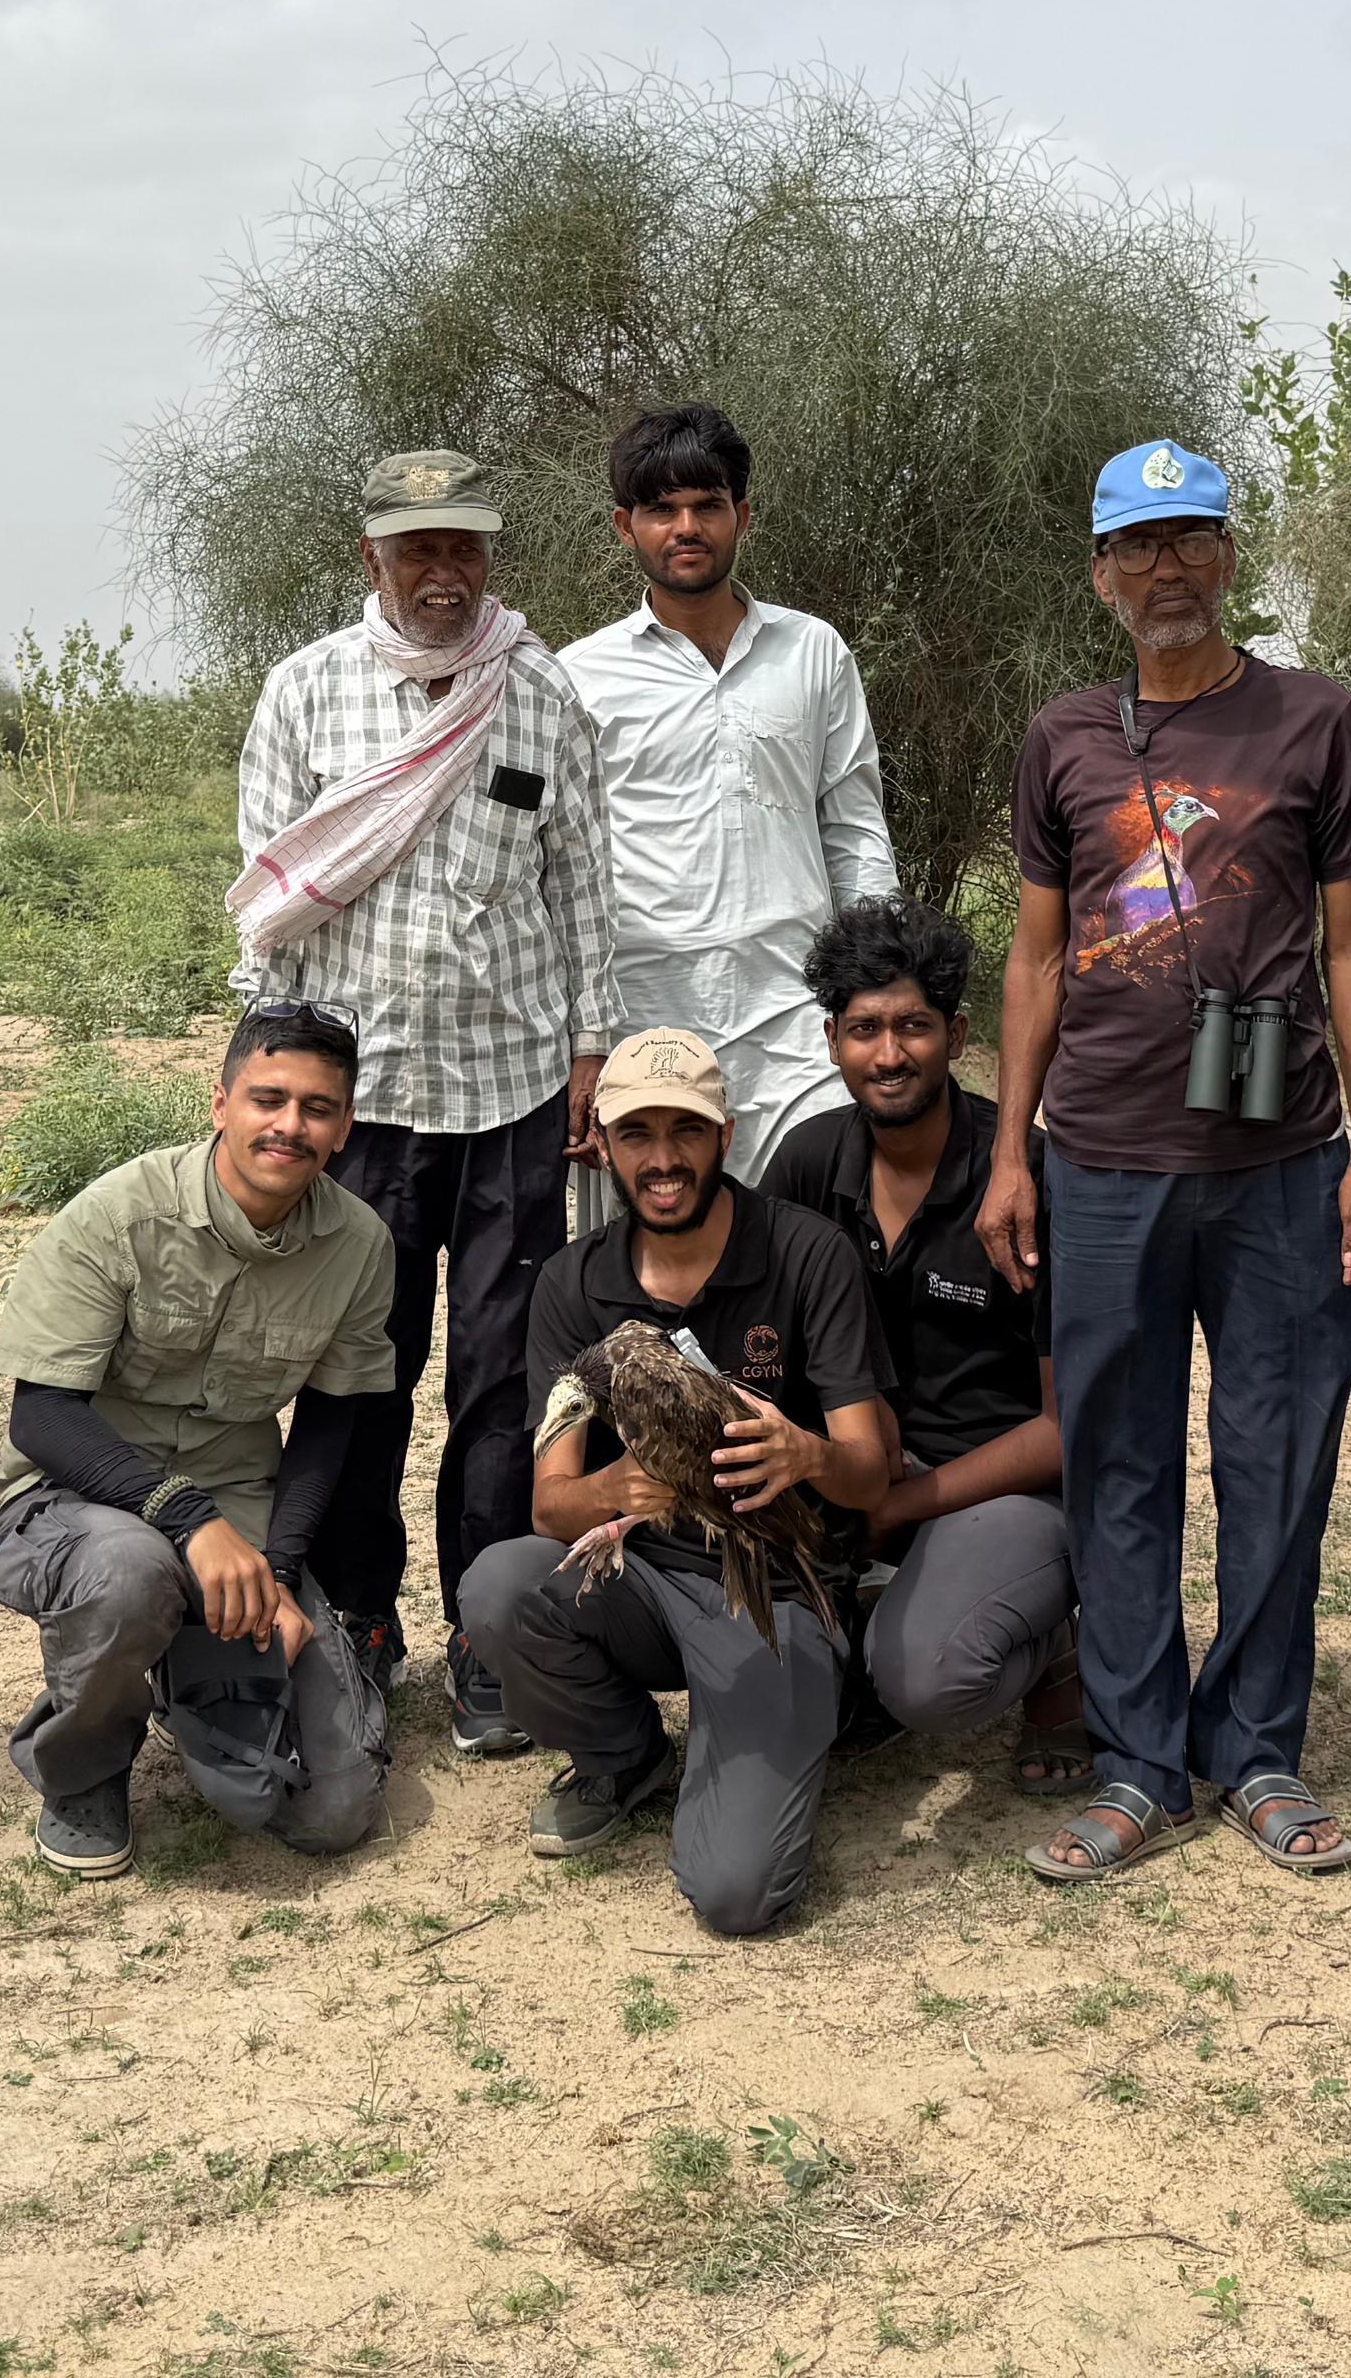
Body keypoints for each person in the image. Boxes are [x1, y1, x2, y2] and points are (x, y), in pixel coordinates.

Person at [978, 439, 1351, 1884]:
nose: (1167, 567)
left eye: (1192, 538)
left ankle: (1260, 1751)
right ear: (1102, 577)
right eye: (1137, 545)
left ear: (1231, 556)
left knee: (1277, 1457)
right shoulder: (1062, 740)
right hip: (1099, 1154)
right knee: (1119, 1460)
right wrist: (1008, 1153)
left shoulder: (1314, 721)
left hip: (1285, 1160)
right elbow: (1034, 956)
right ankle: (1141, 1759)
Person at [229, 448, 617, 1762]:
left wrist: (592, 1053)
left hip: (511, 1092)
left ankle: (493, 1646)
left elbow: (586, 893)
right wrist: (266, 1084)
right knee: (359, 1381)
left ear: (488, 556)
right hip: (362, 1108)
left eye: (464, 549)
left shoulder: (542, 693)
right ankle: (358, 1627)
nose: (444, 574)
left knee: (507, 1384)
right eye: (418, 551)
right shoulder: (306, 693)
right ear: (372, 559)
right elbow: (271, 901)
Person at [455, 1029, 894, 1935]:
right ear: (603, 1145)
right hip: (646, 1581)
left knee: (736, 1894)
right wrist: (620, 1490)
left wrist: (805, 1456)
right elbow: (550, 1502)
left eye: (686, 1131)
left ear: (724, 1135)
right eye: (637, 1134)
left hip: (769, 1590)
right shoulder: (574, 1287)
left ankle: (812, 1694)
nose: (662, 1159)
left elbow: (871, 1477)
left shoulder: (807, 1255)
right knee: (500, 1586)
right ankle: (623, 1756)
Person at [0, 1002, 399, 1877]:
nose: (290, 1125)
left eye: (317, 1108)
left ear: (345, 1126)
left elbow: (329, 1422)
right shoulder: (119, 1215)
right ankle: (86, 1763)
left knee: (332, 1812)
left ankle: (175, 1669)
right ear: (220, 1103)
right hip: (80, 1501)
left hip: (238, 1514)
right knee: (133, 1572)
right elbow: (43, 1415)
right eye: (267, 1098)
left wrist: (279, 1568)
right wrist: (189, 1522)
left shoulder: (360, 1244)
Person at [761, 894, 1085, 1790]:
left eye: (914, 1026)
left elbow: (1070, 1428)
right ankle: (869, 1622)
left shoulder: (1029, 1176)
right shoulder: (806, 1165)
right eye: (865, 1029)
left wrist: (895, 1509)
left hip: (1006, 1494)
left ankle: (1061, 1654)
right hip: (855, 1478)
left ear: (959, 1031)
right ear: (832, 1039)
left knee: (930, 1681)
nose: (889, 1054)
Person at [563, 403, 899, 1178]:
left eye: (707, 505)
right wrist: (583, 1038)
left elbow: (852, 826)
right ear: (626, 526)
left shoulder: (810, 650)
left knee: (811, 1228)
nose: (687, 527)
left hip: (796, 1003)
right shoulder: (581, 677)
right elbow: (569, 867)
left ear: (741, 516)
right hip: (645, 1009)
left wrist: (875, 982)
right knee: (664, 1241)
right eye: (661, 509)